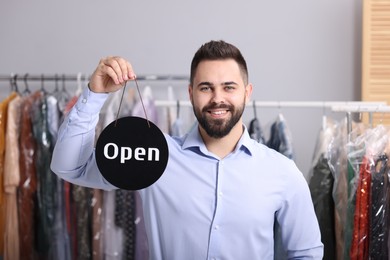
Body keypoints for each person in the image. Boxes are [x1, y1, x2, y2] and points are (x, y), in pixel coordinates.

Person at [51, 40, 324, 259]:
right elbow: (70, 166)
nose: (218, 98)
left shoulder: (282, 171)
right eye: (206, 88)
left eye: (229, 87)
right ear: (191, 93)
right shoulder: (153, 155)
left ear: (247, 92)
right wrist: (95, 94)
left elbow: (307, 253)